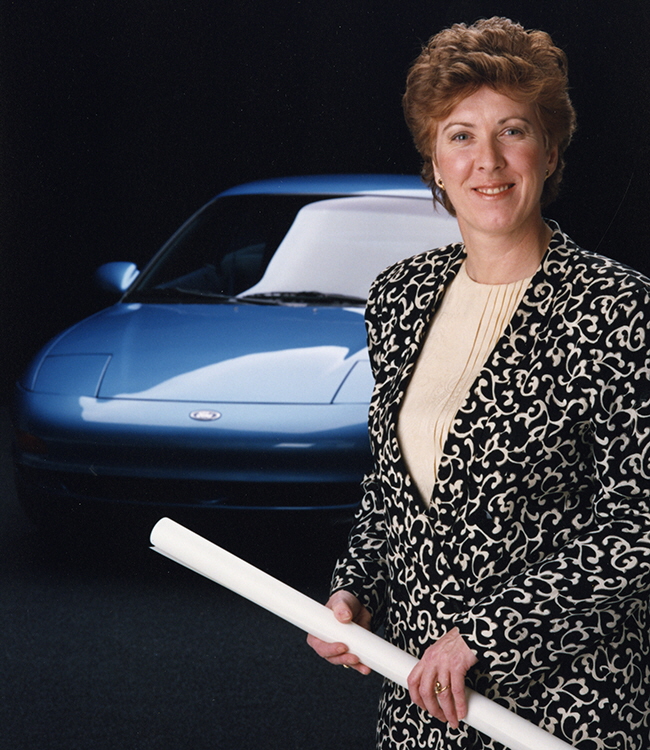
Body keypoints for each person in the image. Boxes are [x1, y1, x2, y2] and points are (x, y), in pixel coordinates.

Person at [307, 16, 650, 750]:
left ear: (550, 149)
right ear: (433, 159)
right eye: (460, 134)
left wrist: (486, 637)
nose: (486, 160)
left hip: (563, 706)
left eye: (513, 130)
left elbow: (637, 520)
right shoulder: (400, 295)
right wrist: (355, 590)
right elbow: (394, 485)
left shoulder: (618, 307)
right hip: (421, 702)